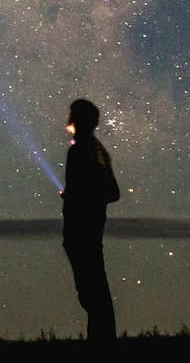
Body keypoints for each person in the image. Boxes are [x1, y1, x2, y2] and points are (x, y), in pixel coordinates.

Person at [60, 97, 120, 341]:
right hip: (91, 231)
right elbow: (109, 191)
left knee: (92, 295)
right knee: (94, 294)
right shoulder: (96, 151)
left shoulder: (80, 151)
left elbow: (108, 192)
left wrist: (76, 195)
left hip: (82, 232)